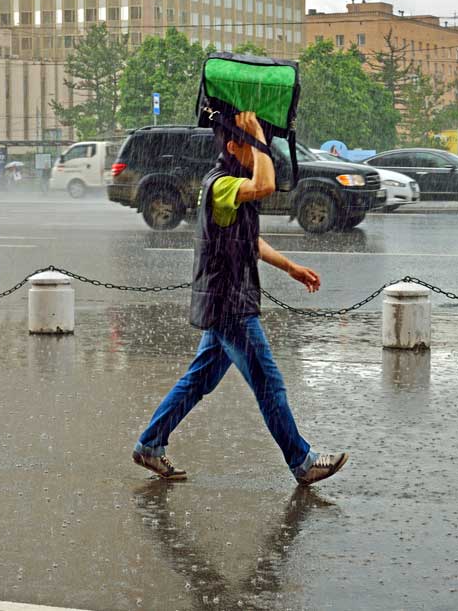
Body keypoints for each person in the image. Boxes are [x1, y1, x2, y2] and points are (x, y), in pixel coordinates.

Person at [132, 111, 349, 486]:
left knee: (197, 381)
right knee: (269, 384)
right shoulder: (222, 186)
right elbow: (267, 184)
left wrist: (289, 267)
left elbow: (248, 238)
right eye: (251, 147)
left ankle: (150, 444)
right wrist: (258, 137)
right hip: (230, 304)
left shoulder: (230, 184)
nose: (261, 154)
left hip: (224, 299)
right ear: (233, 147)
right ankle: (302, 461)